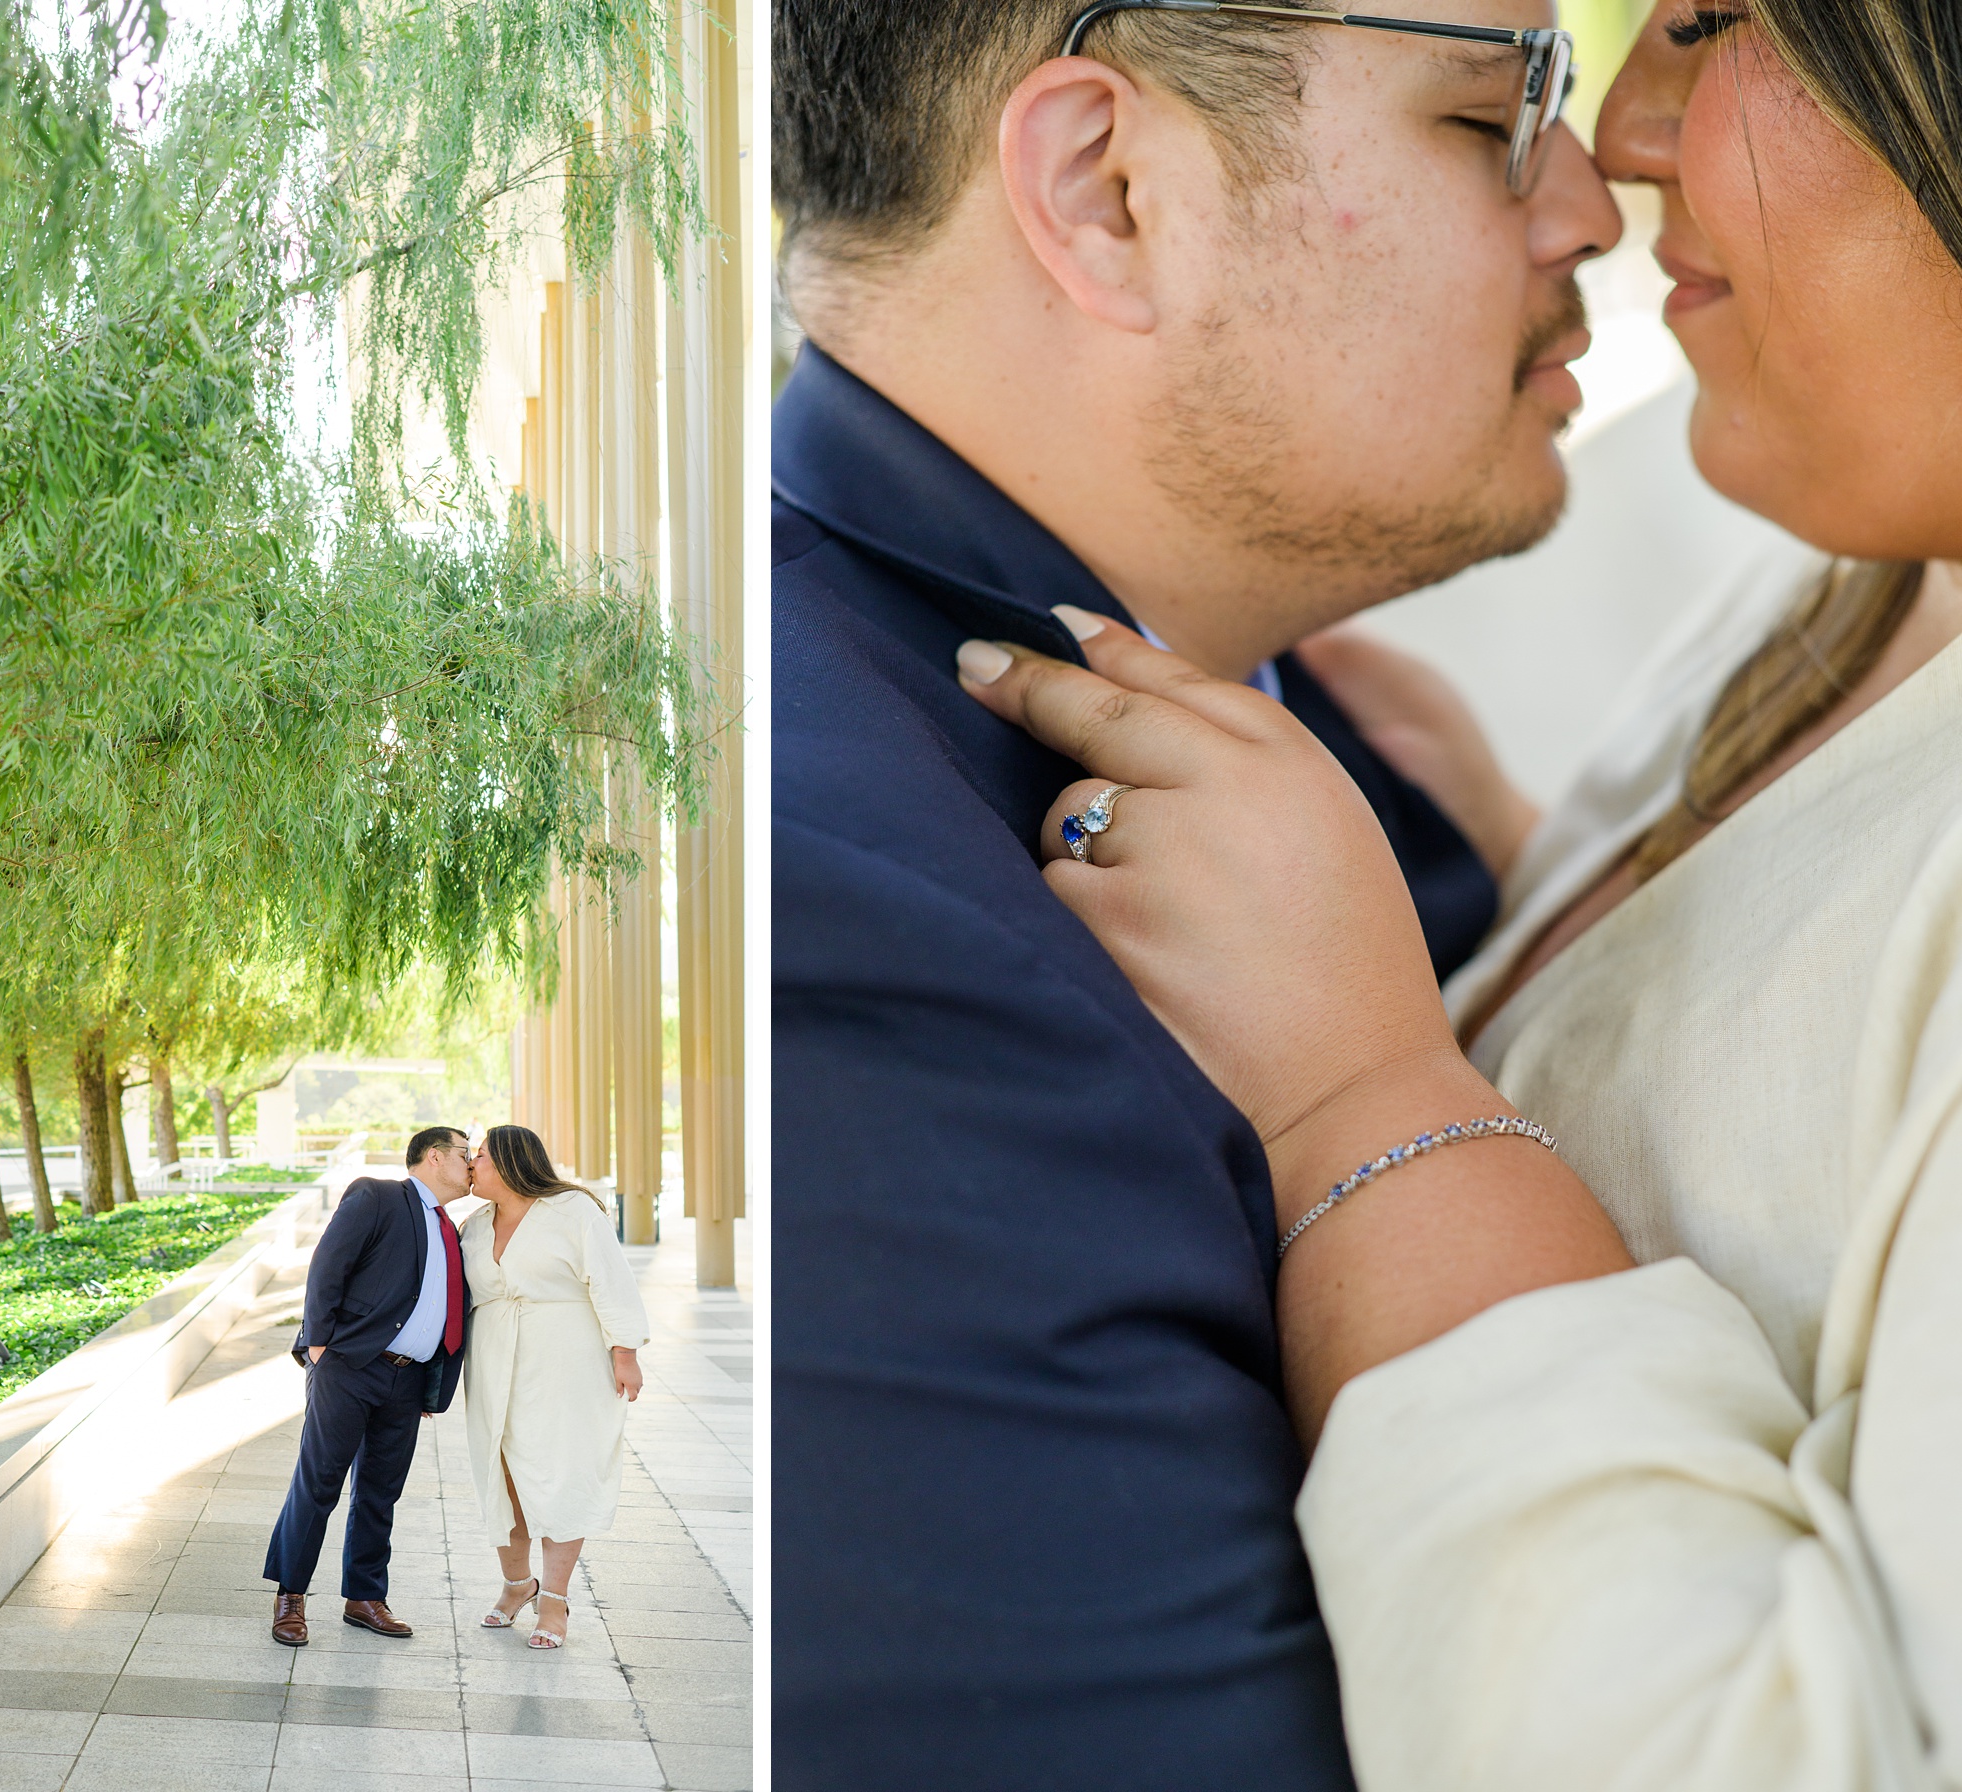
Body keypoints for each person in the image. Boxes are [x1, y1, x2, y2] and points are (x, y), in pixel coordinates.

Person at [955, 2, 1962, 1784]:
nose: (1622, 148)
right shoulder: (1857, 576)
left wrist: (1367, 1091)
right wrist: (1525, 880)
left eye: (1718, 19)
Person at [771, 0, 1615, 1781]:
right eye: (1497, 110)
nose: (1593, 203)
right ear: (1109, 191)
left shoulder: (1295, 728)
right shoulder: (836, 927)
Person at [261, 1125, 472, 1647]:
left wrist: (430, 1376)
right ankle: (291, 1597)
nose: (473, 1165)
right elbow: (327, 1267)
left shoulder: (453, 1228)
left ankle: (364, 1597)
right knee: (321, 1482)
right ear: (434, 1157)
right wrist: (318, 1347)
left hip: (408, 1379)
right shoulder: (376, 1195)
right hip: (350, 1367)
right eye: (467, 1155)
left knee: (381, 1491)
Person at [459, 1124, 649, 1651]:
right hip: (494, 1362)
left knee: (562, 1472)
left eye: (479, 1156)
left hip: (566, 1360)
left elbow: (611, 1280)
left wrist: (625, 1352)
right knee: (503, 1476)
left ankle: (555, 1600)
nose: (471, 1164)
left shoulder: (573, 1212)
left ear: (509, 1162)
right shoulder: (473, 1225)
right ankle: (518, 1584)